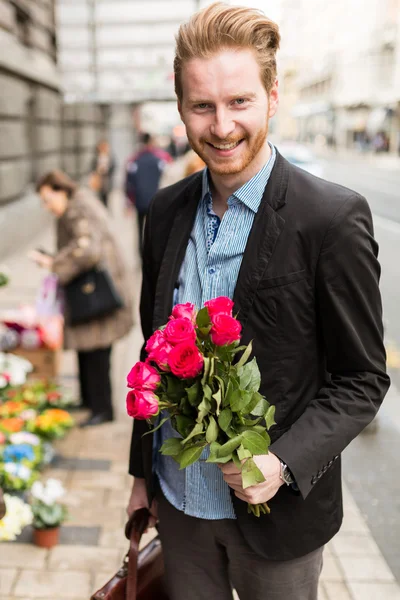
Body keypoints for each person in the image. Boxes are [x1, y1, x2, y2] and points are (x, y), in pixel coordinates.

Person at [127, 3, 390, 600]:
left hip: (279, 522)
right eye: (203, 105)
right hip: (179, 508)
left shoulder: (329, 217)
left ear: (272, 97)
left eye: (239, 101)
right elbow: (152, 359)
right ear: (180, 107)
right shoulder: (165, 212)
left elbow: (362, 380)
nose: (221, 126)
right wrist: (142, 474)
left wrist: (282, 464)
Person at [32, 170, 134, 428]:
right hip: (92, 290)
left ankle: (103, 409)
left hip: (98, 292)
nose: (47, 206)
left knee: (97, 350)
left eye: (48, 199)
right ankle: (89, 401)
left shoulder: (78, 208)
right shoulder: (75, 205)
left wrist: (53, 262)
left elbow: (86, 250)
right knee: (87, 348)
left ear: (61, 190)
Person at [125, 133, 172, 257]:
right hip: (156, 199)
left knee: (140, 229)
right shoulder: (160, 159)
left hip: (139, 200)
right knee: (154, 228)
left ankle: (142, 254)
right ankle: (153, 253)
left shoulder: (134, 160)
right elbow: (168, 178)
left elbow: (129, 183)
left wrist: (128, 202)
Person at [90, 140, 116, 207]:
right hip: (98, 179)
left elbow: (113, 167)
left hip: (106, 180)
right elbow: (92, 168)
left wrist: (106, 170)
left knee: (106, 198)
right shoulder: (96, 157)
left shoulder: (110, 157)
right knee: (99, 198)